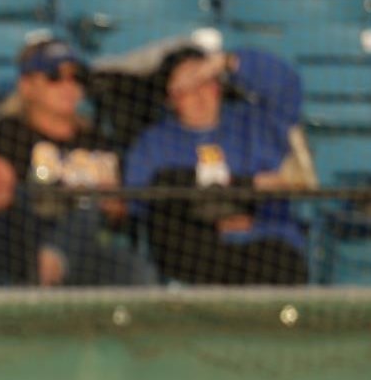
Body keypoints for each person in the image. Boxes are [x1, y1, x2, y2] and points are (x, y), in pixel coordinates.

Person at [0, 38, 157, 287]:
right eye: (54, 76)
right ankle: (49, 263)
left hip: (90, 245)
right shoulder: (4, 133)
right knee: (84, 208)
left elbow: (117, 207)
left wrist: (99, 203)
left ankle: (55, 260)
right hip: (25, 243)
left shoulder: (97, 139)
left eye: (76, 77)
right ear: (27, 86)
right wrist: (62, 194)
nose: (68, 86)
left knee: (132, 266)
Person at [124, 47, 315, 285]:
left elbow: (288, 88)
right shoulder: (152, 144)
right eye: (187, 88)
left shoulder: (254, 125)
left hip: (266, 245)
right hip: (196, 253)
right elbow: (141, 203)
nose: (199, 94)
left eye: (205, 82)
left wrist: (226, 62)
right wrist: (212, 218)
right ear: (170, 98)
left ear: (219, 87)